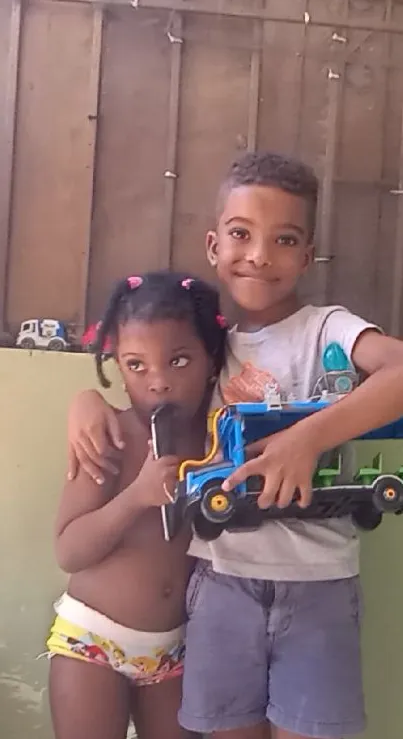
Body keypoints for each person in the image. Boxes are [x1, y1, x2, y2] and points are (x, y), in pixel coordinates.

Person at [66, 152, 403, 739]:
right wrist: (86, 399)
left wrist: (306, 439)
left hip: (318, 587)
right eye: (242, 235)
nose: (259, 255)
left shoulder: (328, 328)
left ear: (307, 252)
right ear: (214, 246)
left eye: (285, 239)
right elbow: (149, 387)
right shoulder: (209, 349)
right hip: (221, 585)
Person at [47, 271, 227, 739]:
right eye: (136, 365)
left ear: (211, 361)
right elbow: (69, 550)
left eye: (179, 360)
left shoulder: (219, 443)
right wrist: (136, 498)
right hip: (92, 642)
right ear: (117, 367)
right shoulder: (110, 438)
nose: (159, 382)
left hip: (174, 651)